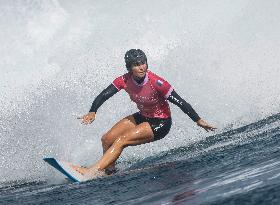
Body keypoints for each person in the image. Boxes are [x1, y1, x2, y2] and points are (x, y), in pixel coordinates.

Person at [74, 49, 216, 180]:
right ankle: (109, 170)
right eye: (136, 64)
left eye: (143, 62)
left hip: (161, 122)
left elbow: (180, 102)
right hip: (144, 115)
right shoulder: (124, 80)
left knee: (121, 140)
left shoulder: (157, 82)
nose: (142, 67)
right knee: (107, 138)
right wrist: (93, 111)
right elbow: (104, 95)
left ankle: (92, 171)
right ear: (130, 68)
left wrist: (198, 120)